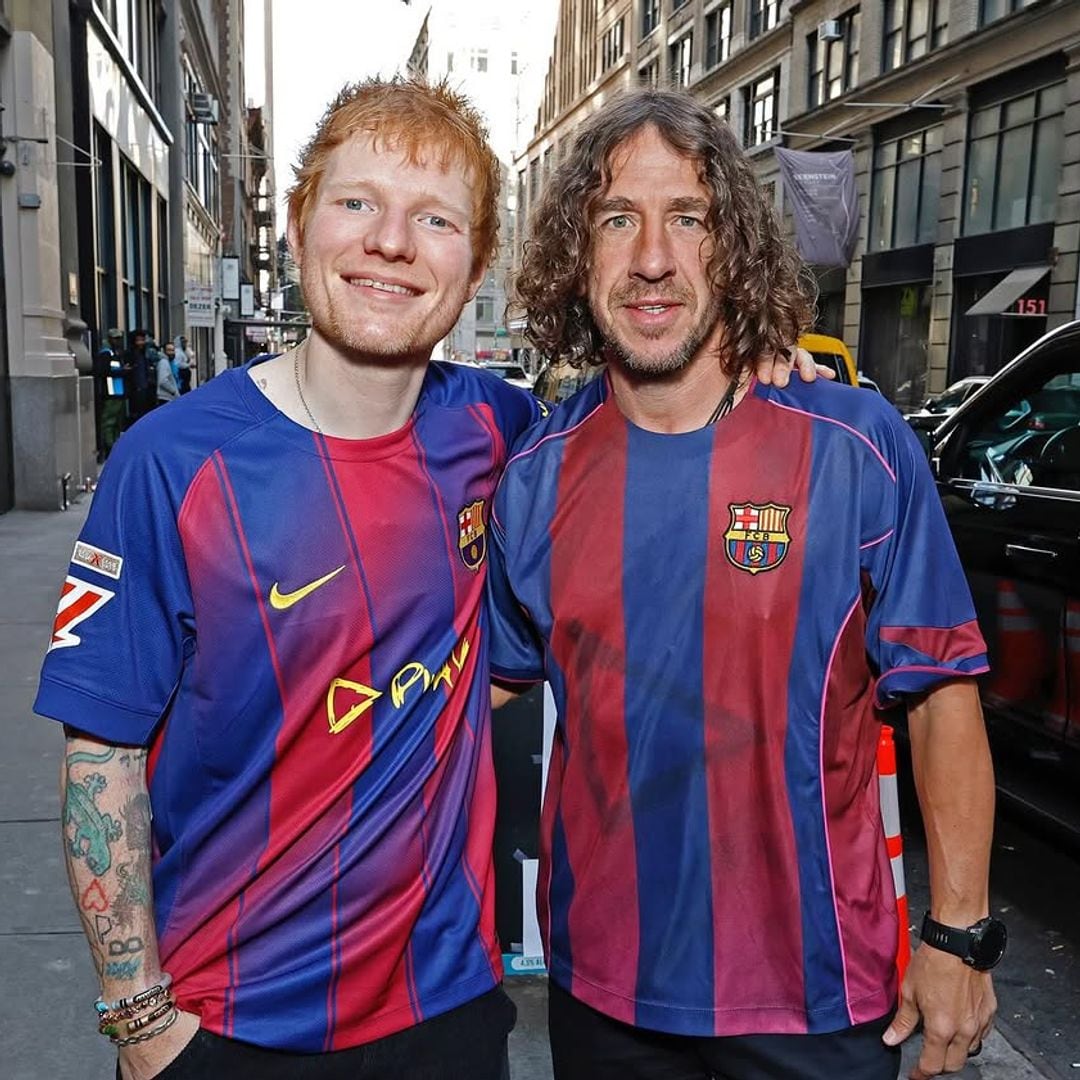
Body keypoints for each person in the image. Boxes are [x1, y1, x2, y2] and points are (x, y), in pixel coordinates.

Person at [35, 78, 816, 1080]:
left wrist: (754, 356)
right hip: (222, 1024)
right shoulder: (170, 464)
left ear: (475, 261)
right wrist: (138, 1018)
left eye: (434, 217)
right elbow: (101, 753)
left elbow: (655, 424)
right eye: (357, 202)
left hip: (447, 1013)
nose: (390, 243)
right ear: (301, 222)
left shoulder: (503, 435)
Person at [488, 89, 1002, 1080]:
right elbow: (492, 693)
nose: (651, 258)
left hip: (816, 1003)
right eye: (616, 220)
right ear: (576, 253)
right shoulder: (531, 478)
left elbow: (941, 694)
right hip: (603, 996)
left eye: (688, 218)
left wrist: (960, 935)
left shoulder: (855, 448)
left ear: (733, 248)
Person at [93, 328, 128, 461]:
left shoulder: (115, 353)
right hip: (110, 394)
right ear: (110, 339)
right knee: (109, 423)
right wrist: (121, 371)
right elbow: (102, 372)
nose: (118, 341)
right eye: (115, 338)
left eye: (119, 338)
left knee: (116, 424)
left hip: (118, 393)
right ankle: (109, 448)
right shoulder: (106, 354)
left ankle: (114, 447)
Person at [124, 329, 155, 423]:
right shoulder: (131, 354)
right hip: (136, 389)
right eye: (138, 340)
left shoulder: (145, 354)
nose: (141, 343)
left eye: (143, 340)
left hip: (145, 388)